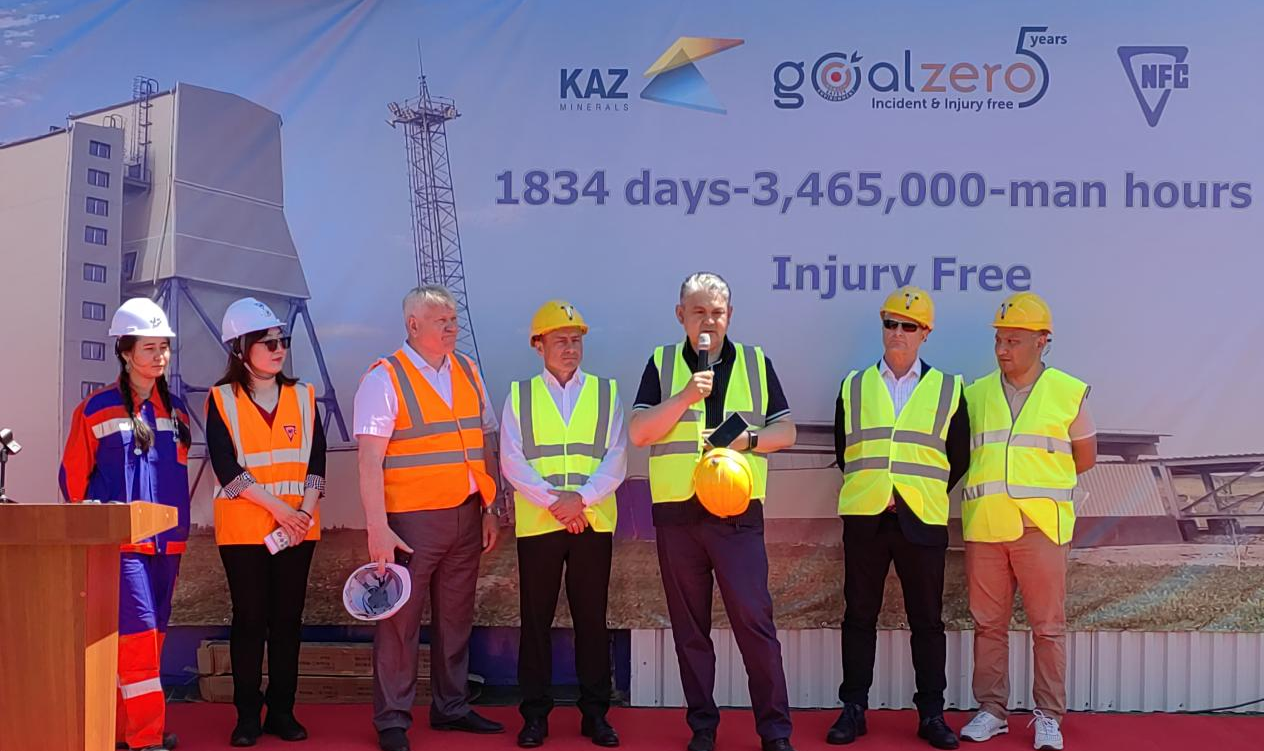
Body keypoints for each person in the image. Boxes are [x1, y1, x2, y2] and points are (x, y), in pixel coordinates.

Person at [628, 272, 798, 751]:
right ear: (680, 315)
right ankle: (702, 727)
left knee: (755, 624)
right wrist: (686, 396)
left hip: (736, 517)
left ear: (730, 315)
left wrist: (750, 440)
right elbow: (639, 433)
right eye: (698, 312)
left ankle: (775, 731)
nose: (708, 322)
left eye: (717, 312)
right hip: (678, 518)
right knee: (690, 632)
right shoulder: (662, 363)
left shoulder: (756, 363)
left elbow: (787, 432)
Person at [354, 285, 507, 751]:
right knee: (398, 622)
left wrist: (490, 508)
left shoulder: (468, 371)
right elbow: (368, 460)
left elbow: (485, 440)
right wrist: (378, 529)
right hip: (410, 524)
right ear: (413, 324)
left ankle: (451, 707)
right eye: (442, 320)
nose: (452, 327)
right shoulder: (384, 378)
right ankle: (392, 719)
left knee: (456, 618)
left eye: (454, 319)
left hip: (466, 516)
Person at [827, 287, 967, 750]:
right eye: (891, 323)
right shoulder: (853, 385)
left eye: (909, 326)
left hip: (921, 519)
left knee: (927, 622)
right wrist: (878, 490)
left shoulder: (949, 388)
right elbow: (845, 451)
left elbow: (958, 458)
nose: (898, 333)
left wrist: (915, 492)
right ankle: (853, 709)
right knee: (858, 616)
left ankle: (931, 714)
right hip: (866, 519)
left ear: (926, 333)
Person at [957, 292, 1096, 751]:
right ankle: (991, 711)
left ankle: (1048, 716)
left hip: (1040, 527)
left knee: (1047, 628)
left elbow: (1085, 457)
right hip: (986, 527)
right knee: (988, 626)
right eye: (999, 340)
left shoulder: (1068, 392)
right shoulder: (974, 394)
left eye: (1013, 340)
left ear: (1042, 341)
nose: (1002, 349)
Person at [59, 297, 191, 751]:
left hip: (167, 545)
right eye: (149, 347)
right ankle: (144, 737)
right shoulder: (95, 410)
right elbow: (73, 480)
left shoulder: (177, 412)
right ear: (125, 351)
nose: (160, 356)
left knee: (151, 638)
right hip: (121, 547)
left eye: (164, 347)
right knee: (136, 639)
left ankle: (122, 730)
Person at [500, 301, 626, 749]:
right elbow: (511, 460)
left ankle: (596, 715)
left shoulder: (607, 393)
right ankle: (535, 716)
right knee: (535, 622)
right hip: (542, 524)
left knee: (592, 620)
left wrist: (581, 501)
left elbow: (617, 458)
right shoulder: (520, 396)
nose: (570, 347)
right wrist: (559, 504)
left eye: (576, 340)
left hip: (591, 521)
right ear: (539, 345)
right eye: (560, 340)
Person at [205, 298, 326, 746]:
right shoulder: (222, 399)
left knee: (288, 620)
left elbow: (316, 463)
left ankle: (281, 711)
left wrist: (302, 513)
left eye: (282, 341)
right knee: (250, 620)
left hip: (298, 530)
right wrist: (282, 511)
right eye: (268, 342)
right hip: (244, 531)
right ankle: (247, 716)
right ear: (240, 349)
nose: (279, 350)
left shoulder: (304, 396)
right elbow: (226, 468)